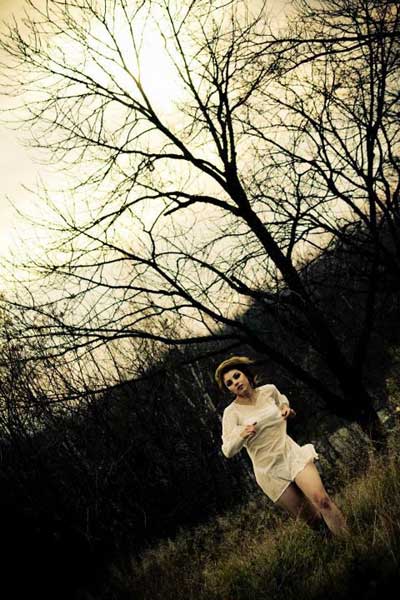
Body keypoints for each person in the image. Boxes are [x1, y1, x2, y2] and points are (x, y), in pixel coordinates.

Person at [215, 356, 349, 538]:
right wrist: (241, 435)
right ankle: (337, 547)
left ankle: (352, 542)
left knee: (322, 501)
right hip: (269, 471)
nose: (235, 383)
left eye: (237, 376)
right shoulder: (231, 413)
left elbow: (282, 402)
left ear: (245, 374)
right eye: (229, 383)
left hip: (290, 454)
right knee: (313, 521)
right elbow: (227, 450)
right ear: (228, 389)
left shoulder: (269, 390)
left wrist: (286, 409)